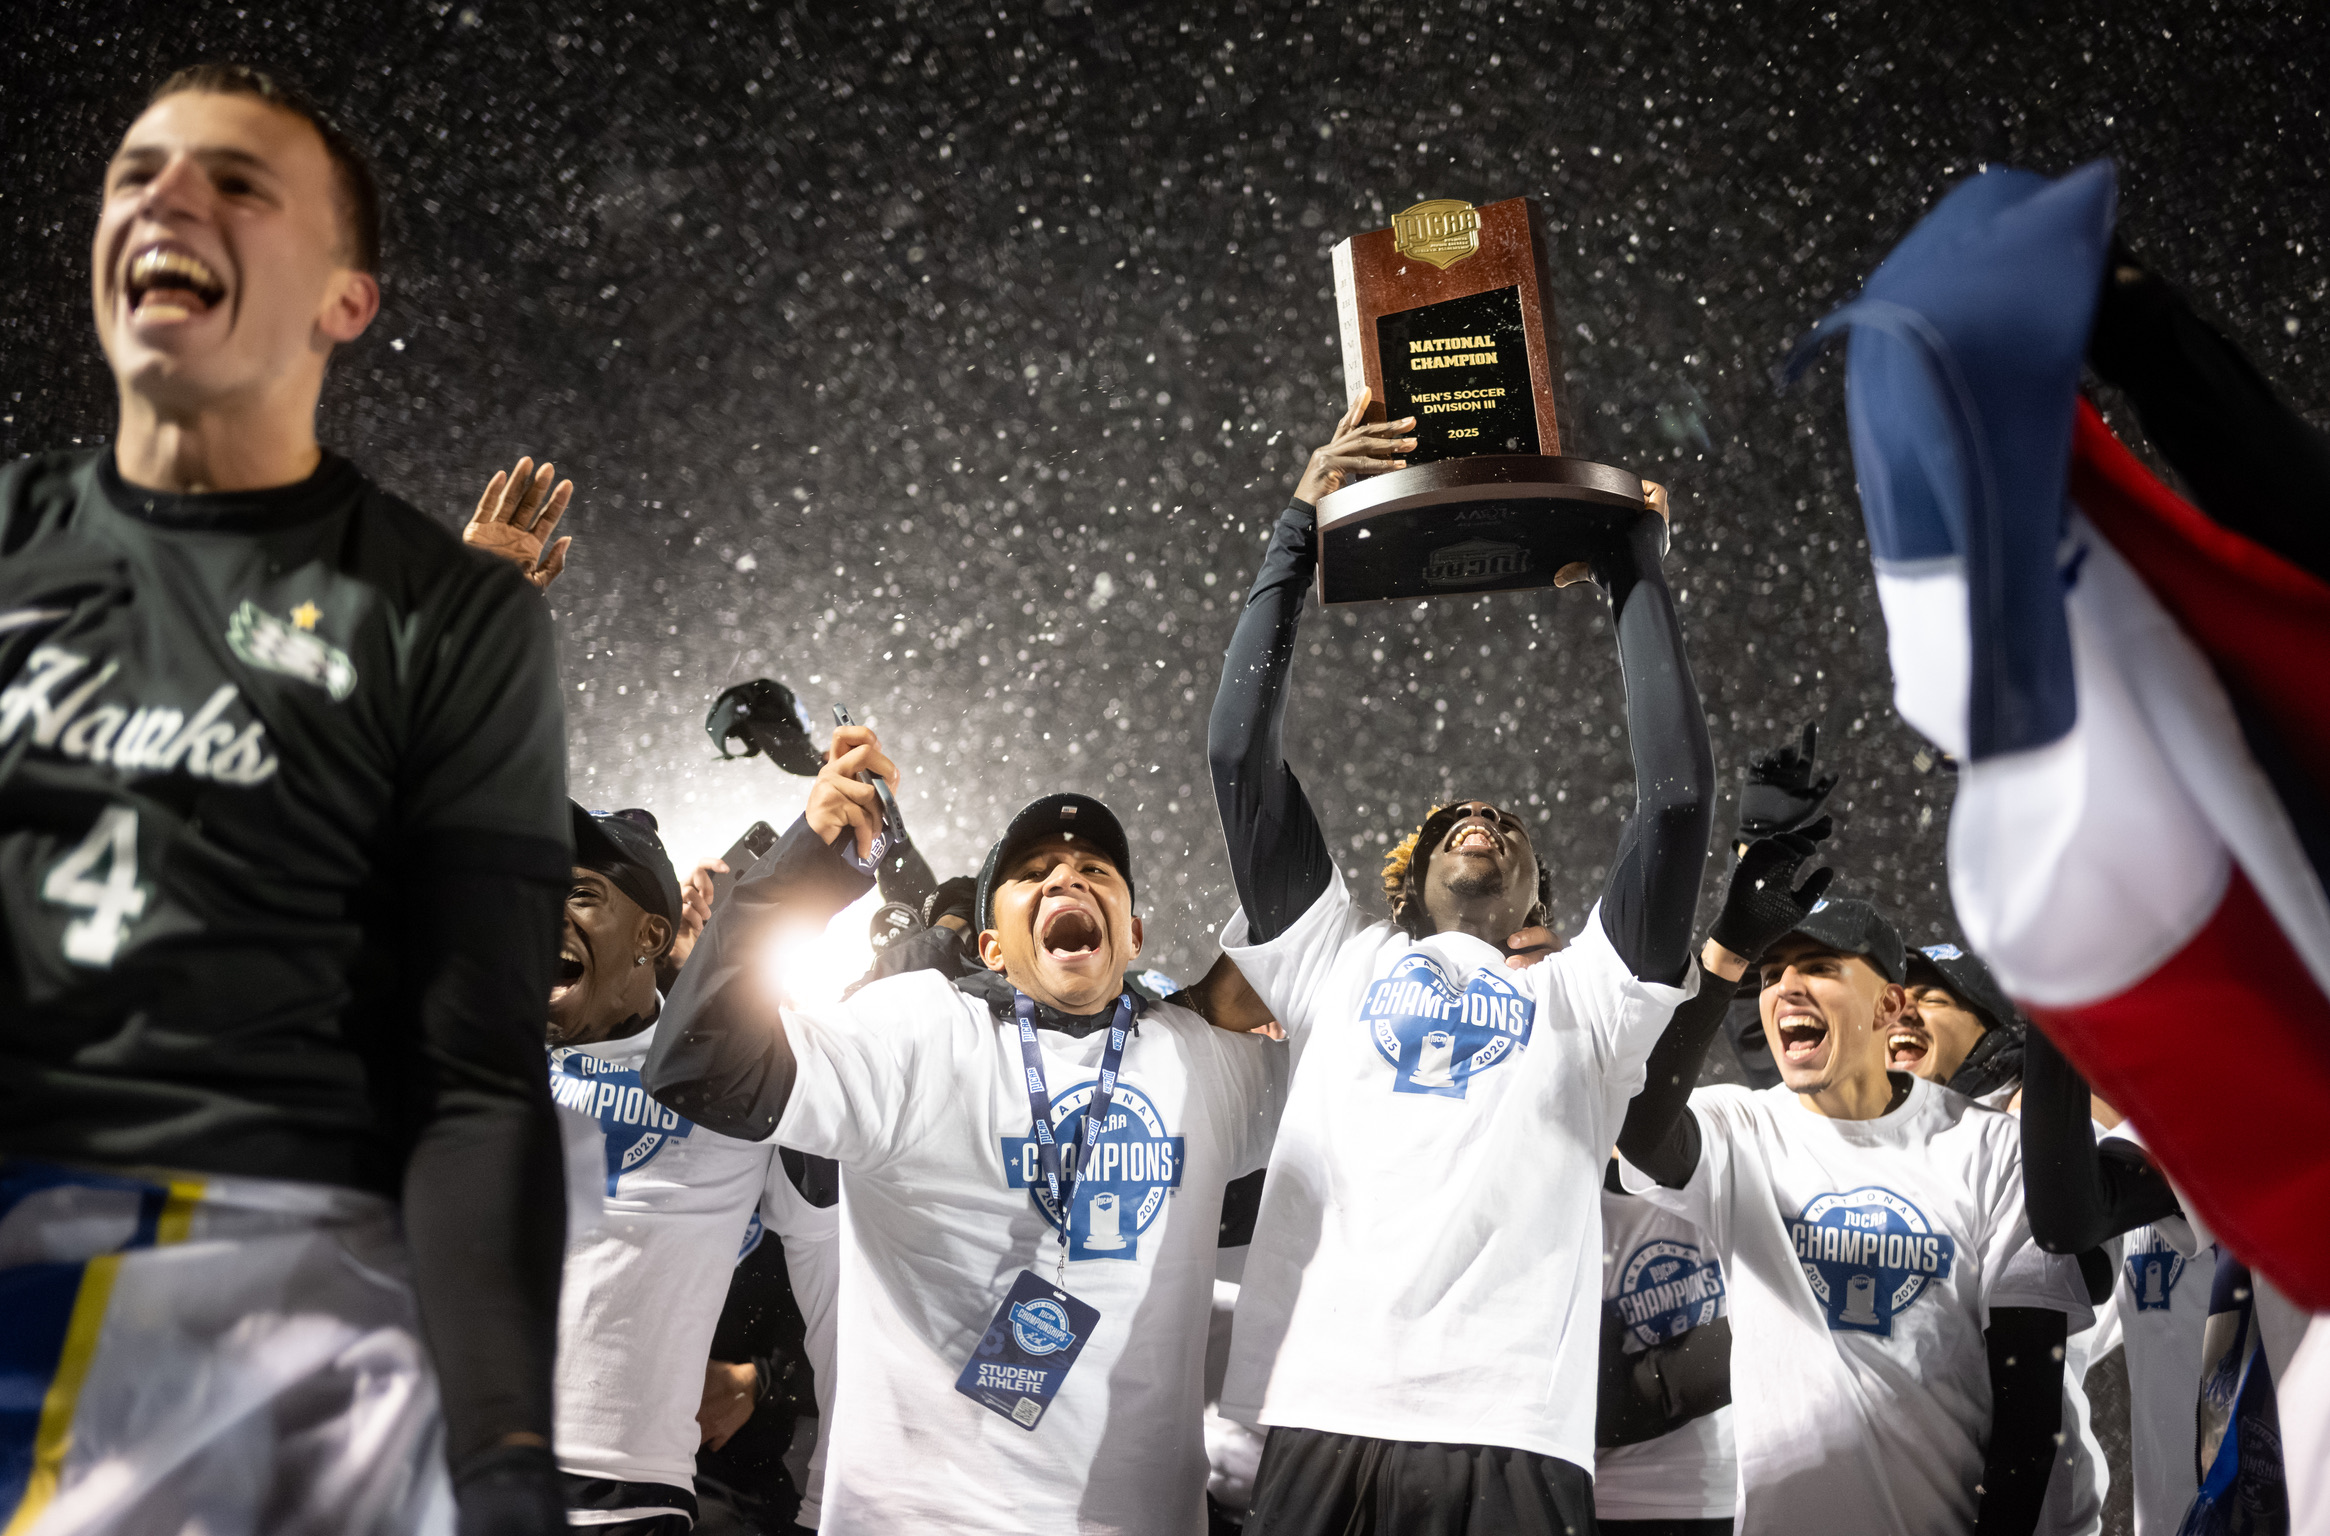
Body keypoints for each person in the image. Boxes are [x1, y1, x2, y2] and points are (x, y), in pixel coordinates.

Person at [0, 64, 568, 1533]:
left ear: (344, 299)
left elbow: (473, 1078)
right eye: (135, 175)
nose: (168, 198)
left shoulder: (451, 621)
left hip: (258, 1326)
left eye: (237, 183)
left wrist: (506, 1459)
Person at [1201, 386, 1717, 1533]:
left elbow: (1676, 803)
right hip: (1319, 1405)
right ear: (1405, 879)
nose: (1480, 818)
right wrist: (1297, 532)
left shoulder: (1589, 997)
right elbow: (1237, 753)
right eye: (1451, 821)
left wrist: (1632, 565)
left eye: (1507, 825)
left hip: (1511, 1424)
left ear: (1541, 897)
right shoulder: (1336, 960)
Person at [643, 726, 1286, 1536]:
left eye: (1095, 870)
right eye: (1032, 873)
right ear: (990, 947)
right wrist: (802, 870)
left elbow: (1364, 1084)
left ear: (1133, 935)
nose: (1066, 877)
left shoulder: (1202, 1061)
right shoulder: (921, 1028)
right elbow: (702, 1064)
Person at [1618, 894, 2094, 1536]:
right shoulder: (1742, 1127)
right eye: (1771, 973)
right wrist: (1725, 957)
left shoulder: (1989, 1147)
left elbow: (2028, 1402)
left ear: (1888, 1006)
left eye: (1818, 967)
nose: (1786, 987)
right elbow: (1641, 1125)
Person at [547, 803, 795, 1536]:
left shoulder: (749, 1084)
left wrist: (767, 1378)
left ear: (650, 936)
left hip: (633, 1492)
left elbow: (839, 1269)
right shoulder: (478, 1057)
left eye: (580, 893)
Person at [1595, 1158, 1737, 1535]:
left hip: (1738, 1488)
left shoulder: (1727, 1186)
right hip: (1622, 1500)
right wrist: (1751, 1336)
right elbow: (1607, 1406)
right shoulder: (1580, 1215)